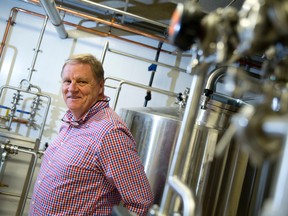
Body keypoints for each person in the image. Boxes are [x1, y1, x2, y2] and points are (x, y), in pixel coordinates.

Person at [29, 54, 154, 215]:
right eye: (67, 81)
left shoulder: (110, 132)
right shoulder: (70, 120)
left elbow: (141, 202)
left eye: (82, 81)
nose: (72, 88)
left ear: (100, 86)